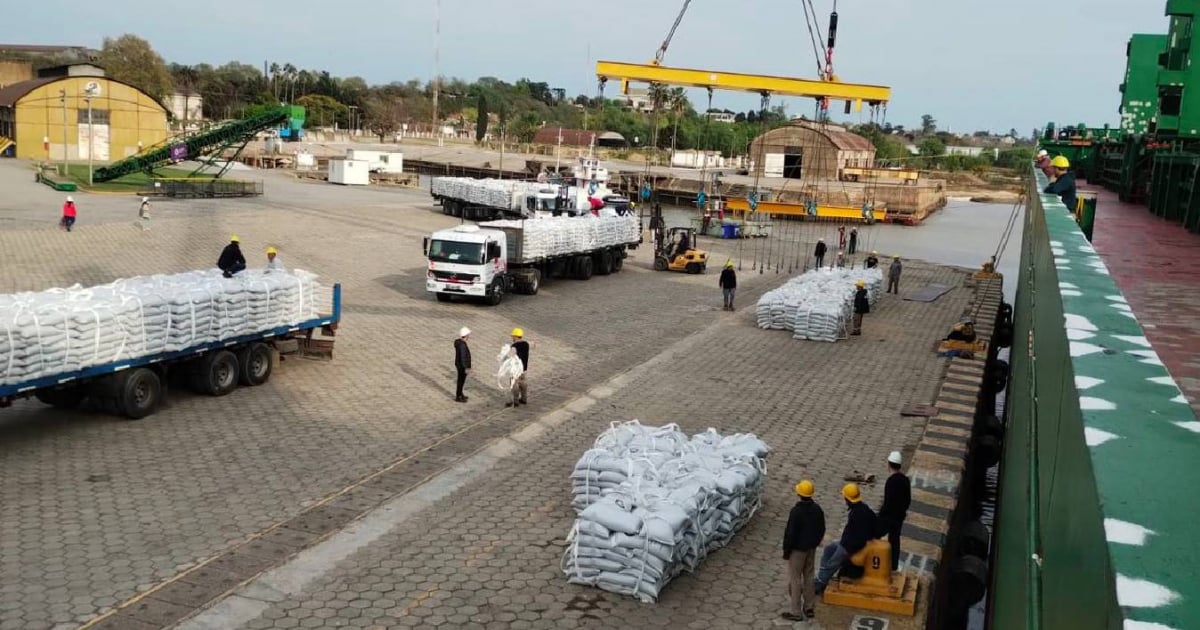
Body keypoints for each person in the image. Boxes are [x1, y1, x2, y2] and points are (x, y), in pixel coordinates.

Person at [814, 483, 878, 595]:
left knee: (833, 562)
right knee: (829, 549)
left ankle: (819, 583)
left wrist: (848, 547)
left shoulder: (856, 514)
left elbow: (856, 537)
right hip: (849, 543)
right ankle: (822, 575)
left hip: (851, 546)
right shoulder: (864, 509)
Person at [781, 480, 825, 622]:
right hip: (811, 548)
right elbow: (821, 528)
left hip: (797, 550)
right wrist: (815, 543)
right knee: (809, 576)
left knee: (795, 580)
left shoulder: (796, 512)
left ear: (799, 493)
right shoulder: (817, 509)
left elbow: (790, 533)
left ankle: (795, 611)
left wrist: (786, 551)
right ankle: (809, 607)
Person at [877, 451, 912, 572]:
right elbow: (908, 499)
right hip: (899, 516)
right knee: (895, 540)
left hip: (888, 516)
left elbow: (887, 502)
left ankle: (875, 561)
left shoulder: (891, 482)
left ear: (889, 464)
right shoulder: (905, 480)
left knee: (875, 535)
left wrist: (880, 515)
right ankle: (894, 565)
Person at [510, 328, 530, 406]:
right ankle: (524, 398)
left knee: (514, 384)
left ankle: (516, 401)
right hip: (524, 368)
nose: (512, 338)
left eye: (513, 336)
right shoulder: (526, 344)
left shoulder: (514, 346)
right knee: (523, 383)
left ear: (516, 336)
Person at [454, 327, 472, 402]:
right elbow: (463, 357)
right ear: (465, 335)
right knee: (461, 381)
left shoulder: (459, 343)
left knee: (461, 381)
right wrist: (466, 368)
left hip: (459, 365)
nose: (469, 337)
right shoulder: (462, 346)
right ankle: (458, 396)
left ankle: (460, 393)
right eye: (468, 335)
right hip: (462, 366)